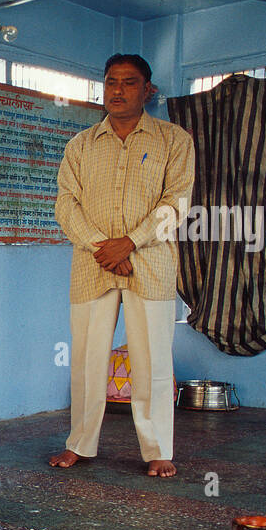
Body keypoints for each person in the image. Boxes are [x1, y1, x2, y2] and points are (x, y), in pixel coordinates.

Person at [49, 54, 194, 478]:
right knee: (87, 359)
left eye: (129, 83)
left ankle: (157, 450)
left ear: (148, 90)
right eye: (111, 81)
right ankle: (80, 444)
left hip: (150, 264)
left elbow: (177, 203)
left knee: (152, 360)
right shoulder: (80, 145)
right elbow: (65, 204)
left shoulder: (173, 140)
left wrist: (130, 243)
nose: (117, 90)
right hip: (92, 265)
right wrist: (103, 248)